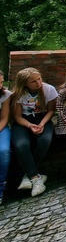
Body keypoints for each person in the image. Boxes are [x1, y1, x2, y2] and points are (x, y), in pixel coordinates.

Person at [10, 67, 58, 197]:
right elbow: (17, 117)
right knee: (21, 145)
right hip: (24, 121)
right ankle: (36, 178)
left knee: (44, 140)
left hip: (42, 118)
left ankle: (29, 176)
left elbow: (51, 111)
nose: (38, 83)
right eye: (33, 81)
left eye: (39, 79)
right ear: (25, 83)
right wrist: (30, 125)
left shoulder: (49, 89)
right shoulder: (18, 94)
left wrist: (41, 123)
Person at [0, 71, 11, 204]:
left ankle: (1, 186)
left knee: (3, 151)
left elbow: (4, 118)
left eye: (2, 82)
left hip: (1, 127)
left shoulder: (5, 95)